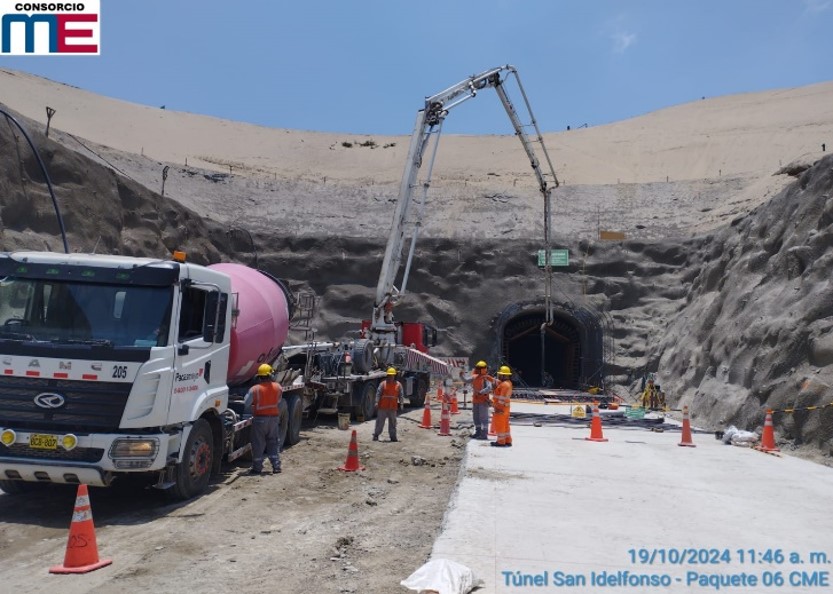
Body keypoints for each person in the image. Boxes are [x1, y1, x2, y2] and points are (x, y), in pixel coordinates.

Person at [244, 363, 283, 475]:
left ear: (259, 376)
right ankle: (276, 466)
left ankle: (257, 468)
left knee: (258, 444)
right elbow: (278, 401)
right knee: (273, 442)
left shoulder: (254, 389)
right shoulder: (278, 387)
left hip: (260, 420)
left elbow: (246, 404)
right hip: (274, 419)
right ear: (271, 375)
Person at [373, 367, 403, 442]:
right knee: (380, 422)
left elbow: (401, 395)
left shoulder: (398, 385)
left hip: (392, 407)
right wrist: (376, 402)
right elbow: (378, 393)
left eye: (392, 375)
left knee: (393, 423)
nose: (390, 377)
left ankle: (393, 437)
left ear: (394, 376)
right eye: (389, 375)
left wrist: (401, 403)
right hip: (383, 407)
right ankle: (376, 435)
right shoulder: (383, 384)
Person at [470, 360, 494, 440]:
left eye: (478, 368)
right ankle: (478, 432)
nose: (476, 370)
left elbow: (489, 387)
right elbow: (466, 380)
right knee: (476, 417)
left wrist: (481, 392)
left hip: (483, 401)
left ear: (483, 369)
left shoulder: (486, 378)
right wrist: (461, 375)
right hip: (476, 401)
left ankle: (484, 434)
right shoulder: (475, 377)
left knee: (483, 418)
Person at [491, 365, 513, 447]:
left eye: (500, 374)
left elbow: (501, 399)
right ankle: (508, 440)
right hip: (506, 408)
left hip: (501, 408)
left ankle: (500, 442)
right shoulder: (508, 383)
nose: (499, 376)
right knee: (505, 425)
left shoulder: (504, 385)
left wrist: (497, 408)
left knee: (500, 425)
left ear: (504, 375)